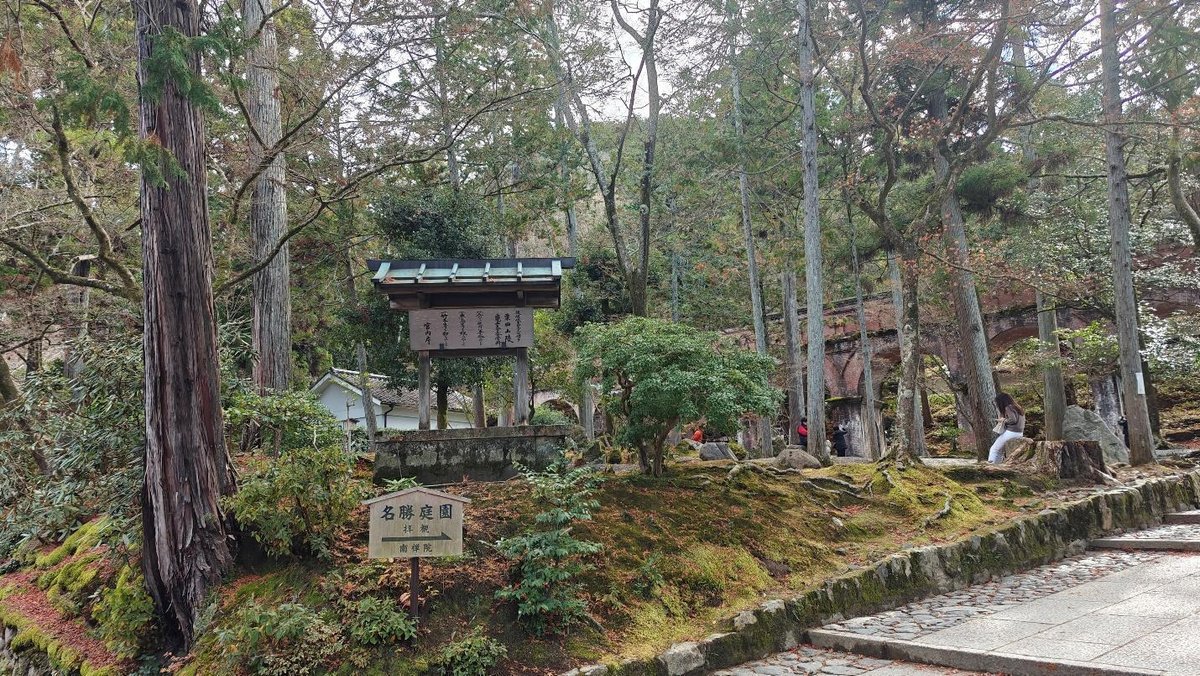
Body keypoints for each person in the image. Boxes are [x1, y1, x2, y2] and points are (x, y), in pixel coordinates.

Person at [989, 391, 1026, 463]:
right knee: (1000, 451)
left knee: (994, 449)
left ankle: (991, 466)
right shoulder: (1017, 407)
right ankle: (998, 467)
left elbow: (1013, 420)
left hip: (1011, 433)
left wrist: (1003, 420)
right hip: (1019, 433)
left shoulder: (1008, 407)